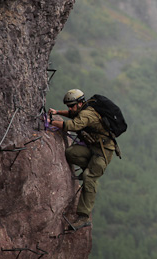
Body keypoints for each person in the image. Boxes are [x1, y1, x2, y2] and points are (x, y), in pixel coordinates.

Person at [49, 88, 115, 230]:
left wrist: (51, 122)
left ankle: (83, 217)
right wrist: (58, 112)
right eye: (69, 106)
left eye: (72, 105)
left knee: (89, 177)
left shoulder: (88, 113)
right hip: (92, 148)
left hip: (104, 151)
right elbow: (73, 115)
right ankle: (90, 167)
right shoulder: (82, 109)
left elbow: (73, 125)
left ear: (80, 103)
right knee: (71, 153)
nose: (70, 108)